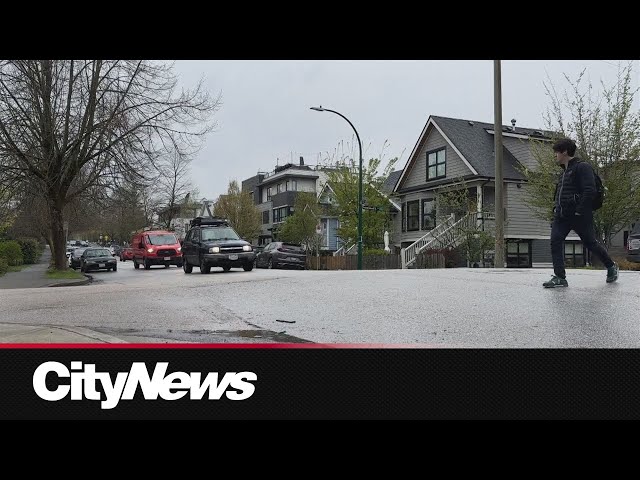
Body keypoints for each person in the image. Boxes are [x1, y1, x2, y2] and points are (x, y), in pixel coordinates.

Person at [543, 138, 618, 288]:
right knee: (555, 241)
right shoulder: (563, 173)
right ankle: (560, 277)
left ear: (564, 152)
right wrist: (555, 210)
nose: (555, 156)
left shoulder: (582, 167)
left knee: (590, 243)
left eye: (556, 152)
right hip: (562, 216)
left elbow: (589, 190)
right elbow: (559, 195)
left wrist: (580, 210)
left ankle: (611, 266)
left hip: (580, 215)